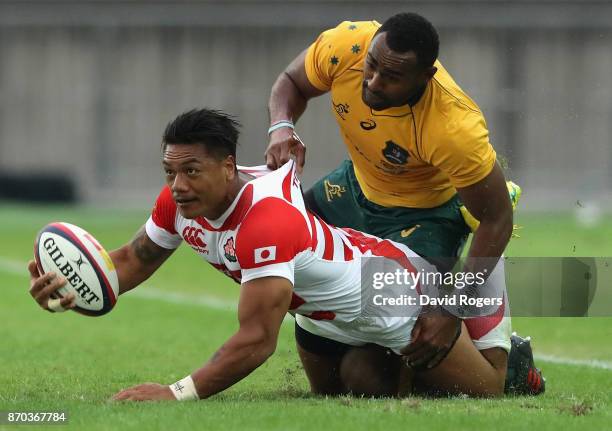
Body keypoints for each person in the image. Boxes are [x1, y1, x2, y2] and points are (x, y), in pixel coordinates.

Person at [29, 108, 517, 400]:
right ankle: (395, 361)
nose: (177, 186)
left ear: (226, 166)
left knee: (489, 390)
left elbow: (257, 340)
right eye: (169, 172)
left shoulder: (266, 223)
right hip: (320, 314)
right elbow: (131, 261)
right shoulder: (180, 202)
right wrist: (71, 280)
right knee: (355, 386)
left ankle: (492, 314)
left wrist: (175, 394)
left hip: (388, 294)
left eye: (191, 171)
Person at [265, 12, 544, 394]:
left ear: (424, 79)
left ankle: (508, 363)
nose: (373, 82)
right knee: (328, 385)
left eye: (391, 77)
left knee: (377, 378)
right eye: (372, 66)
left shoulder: (454, 127)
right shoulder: (347, 45)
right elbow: (291, 82)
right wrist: (281, 125)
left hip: (425, 216)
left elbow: (497, 218)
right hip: (355, 187)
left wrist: (449, 310)